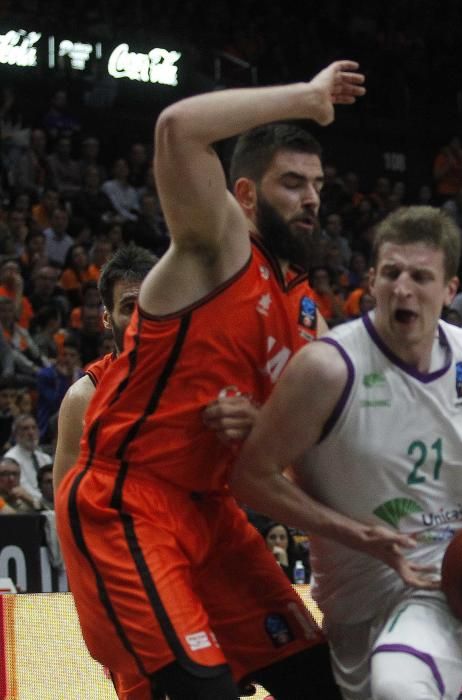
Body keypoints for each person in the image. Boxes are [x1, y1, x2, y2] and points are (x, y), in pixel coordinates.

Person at [56, 61, 366, 700]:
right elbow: (177, 128)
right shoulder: (219, 245)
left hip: (215, 513)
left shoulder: (307, 311)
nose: (310, 198)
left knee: (319, 683)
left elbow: (303, 447)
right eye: (291, 183)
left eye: (317, 185)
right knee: (203, 692)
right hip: (130, 502)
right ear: (246, 195)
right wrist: (306, 97)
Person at [232, 205, 462, 700]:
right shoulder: (328, 369)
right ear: (371, 280)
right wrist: (358, 536)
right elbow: (250, 478)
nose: (403, 288)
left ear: (450, 290)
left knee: (401, 685)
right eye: (392, 273)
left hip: (451, 575)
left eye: (421, 276)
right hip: (355, 594)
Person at [53, 244, 158, 490]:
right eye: (129, 307)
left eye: (148, 305)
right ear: (107, 318)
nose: (139, 319)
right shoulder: (83, 397)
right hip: (120, 523)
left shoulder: (191, 375)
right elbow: (66, 498)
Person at [4, 412, 52, 499]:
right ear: (15, 434)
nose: (31, 432)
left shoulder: (45, 458)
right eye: (25, 429)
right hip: (29, 505)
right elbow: (24, 488)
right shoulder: (11, 459)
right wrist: (43, 503)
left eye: (34, 428)